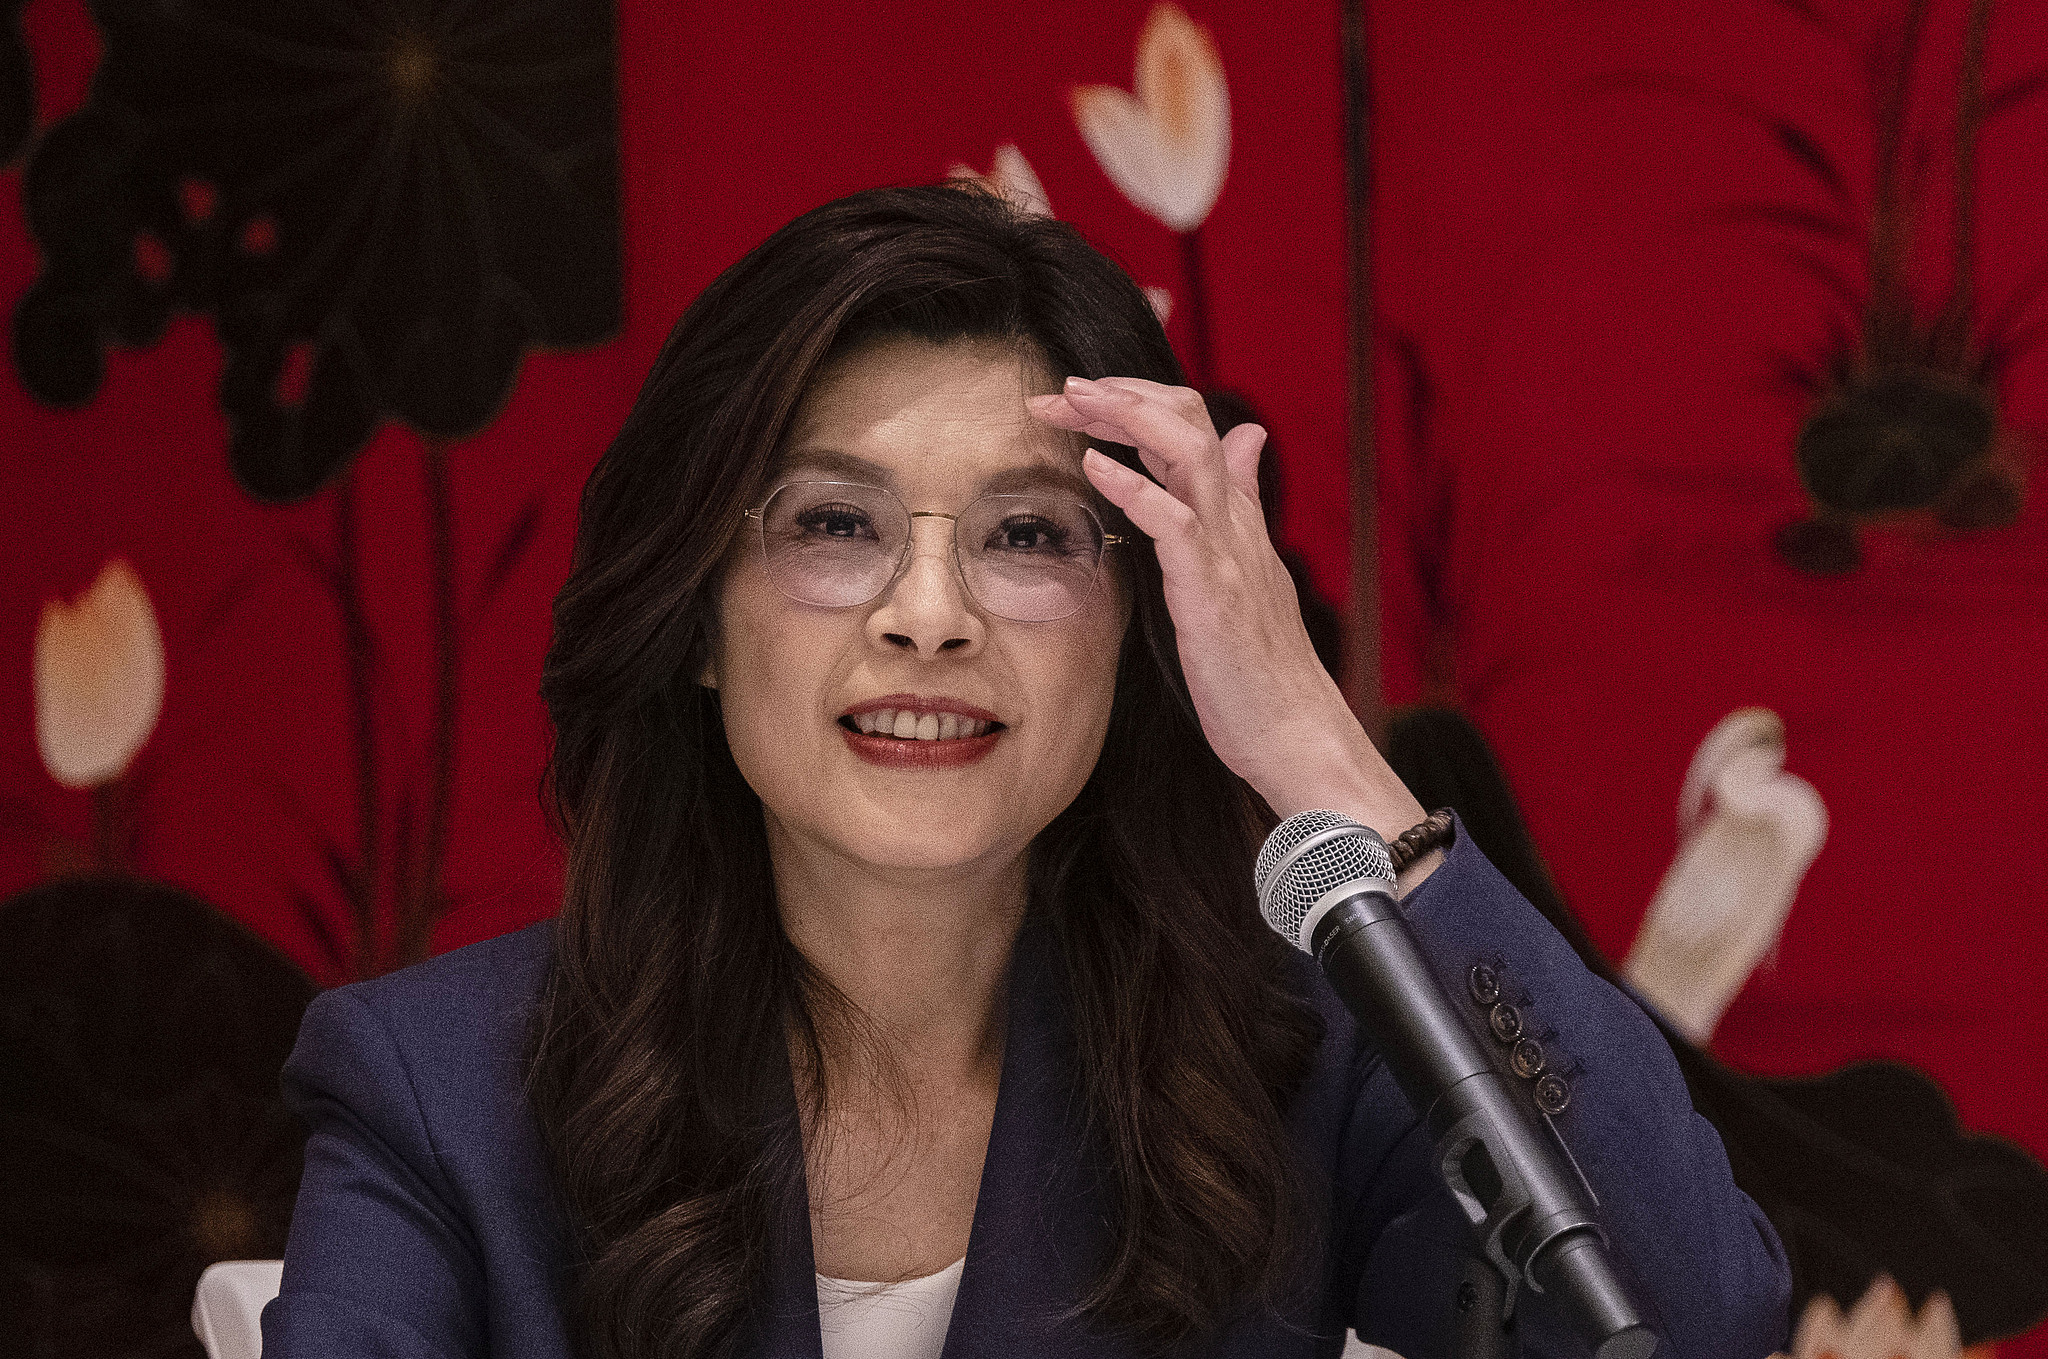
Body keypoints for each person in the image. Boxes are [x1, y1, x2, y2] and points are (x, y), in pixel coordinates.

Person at [260, 182, 1791, 1359]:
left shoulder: (1296, 1071)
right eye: (834, 524)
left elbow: (1690, 1318)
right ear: (699, 624)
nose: (930, 618)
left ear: (1137, 632)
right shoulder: (438, 1092)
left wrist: (1318, 749)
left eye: (1029, 537)